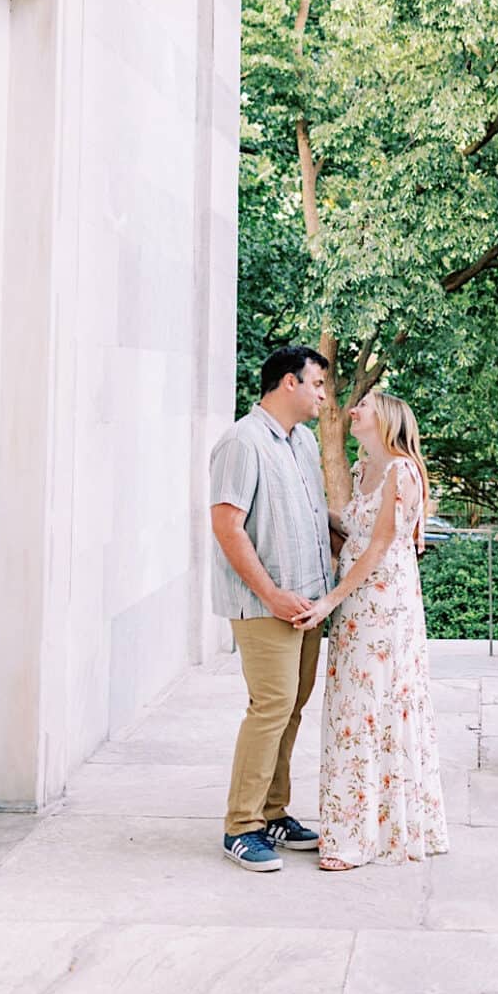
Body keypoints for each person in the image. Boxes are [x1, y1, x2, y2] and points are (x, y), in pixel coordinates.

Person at [295, 388, 451, 870]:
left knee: (374, 706)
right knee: (352, 708)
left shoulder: (403, 472)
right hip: (357, 605)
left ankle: (362, 839)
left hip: (384, 606)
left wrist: (327, 602)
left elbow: (380, 545)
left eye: (363, 405)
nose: (352, 409)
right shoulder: (364, 471)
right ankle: (354, 824)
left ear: (384, 418)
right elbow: (353, 529)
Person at [208, 345, 336, 872]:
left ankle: (274, 811)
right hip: (265, 605)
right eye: (318, 386)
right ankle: (242, 825)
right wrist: (272, 596)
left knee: (292, 706)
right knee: (272, 706)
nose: (324, 397)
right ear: (289, 383)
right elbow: (226, 526)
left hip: (307, 600)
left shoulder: (303, 442)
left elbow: (312, 514)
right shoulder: (242, 441)